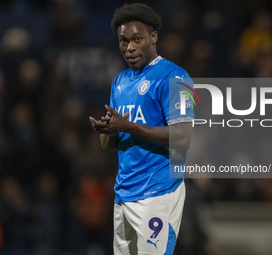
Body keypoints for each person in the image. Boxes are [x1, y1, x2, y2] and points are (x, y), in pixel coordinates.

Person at [89, 3, 194, 254]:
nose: (130, 47)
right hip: (123, 194)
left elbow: (183, 136)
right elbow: (112, 144)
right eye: (123, 41)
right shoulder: (120, 81)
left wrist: (128, 126)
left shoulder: (175, 76)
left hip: (157, 191)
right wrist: (108, 131)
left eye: (137, 39)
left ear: (153, 36)